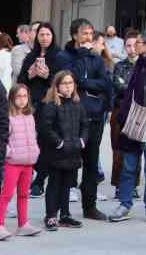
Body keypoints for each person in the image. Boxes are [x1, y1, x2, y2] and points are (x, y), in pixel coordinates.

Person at [52, 18, 110, 221]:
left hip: (93, 117)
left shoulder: (97, 59)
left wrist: (85, 83)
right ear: (75, 35)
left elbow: (104, 84)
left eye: (91, 33)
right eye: (84, 33)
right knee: (67, 163)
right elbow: (70, 78)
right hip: (69, 119)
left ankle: (90, 206)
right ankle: (62, 210)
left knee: (91, 163)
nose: (88, 37)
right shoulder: (64, 56)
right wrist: (82, 57)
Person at [110, 27, 146, 224]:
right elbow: (131, 91)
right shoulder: (139, 64)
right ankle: (125, 204)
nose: (135, 46)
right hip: (134, 117)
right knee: (129, 165)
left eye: (139, 43)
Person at [37, 71, 85, 231]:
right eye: (64, 83)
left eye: (70, 83)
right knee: (54, 184)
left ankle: (65, 215)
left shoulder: (78, 104)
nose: (68, 86)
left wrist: (82, 141)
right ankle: (50, 215)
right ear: (57, 86)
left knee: (67, 184)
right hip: (56, 152)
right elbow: (46, 127)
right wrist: (59, 143)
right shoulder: (51, 105)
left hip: (73, 151)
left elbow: (85, 125)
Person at [18, 22, 56, 199]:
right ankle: (32, 175)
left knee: (45, 141)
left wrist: (48, 76)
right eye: (41, 34)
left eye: (48, 34)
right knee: (30, 141)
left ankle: (40, 179)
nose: (44, 38)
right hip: (32, 104)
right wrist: (31, 74)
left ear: (52, 36)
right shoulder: (31, 56)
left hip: (50, 104)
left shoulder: (58, 55)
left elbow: (64, 82)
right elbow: (21, 80)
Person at [0, 83, 30, 239]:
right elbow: (4, 139)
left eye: (25, 96)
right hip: (13, 163)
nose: (22, 100)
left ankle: (23, 224)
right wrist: (10, 154)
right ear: (11, 99)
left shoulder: (30, 116)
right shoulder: (8, 117)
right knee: (6, 194)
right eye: (18, 96)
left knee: (23, 194)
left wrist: (34, 153)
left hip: (28, 162)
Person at [108, 31, 138, 196]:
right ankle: (119, 184)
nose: (132, 49)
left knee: (135, 149)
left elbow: (145, 89)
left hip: (139, 112)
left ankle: (133, 185)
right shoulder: (120, 66)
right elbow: (117, 86)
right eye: (128, 45)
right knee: (118, 148)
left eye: (135, 45)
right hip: (120, 109)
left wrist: (128, 86)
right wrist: (132, 87)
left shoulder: (144, 65)